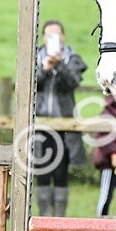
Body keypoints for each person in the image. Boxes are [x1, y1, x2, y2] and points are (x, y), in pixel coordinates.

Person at [34, 20, 87, 217]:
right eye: (49, 35)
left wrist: (60, 66)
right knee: (42, 171)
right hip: (40, 126)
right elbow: (30, 84)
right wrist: (45, 68)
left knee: (61, 172)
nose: (53, 39)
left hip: (64, 126)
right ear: (43, 38)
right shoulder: (35, 58)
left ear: (63, 37)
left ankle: (60, 220)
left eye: (57, 35)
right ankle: (44, 217)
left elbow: (72, 83)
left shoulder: (72, 59)